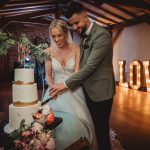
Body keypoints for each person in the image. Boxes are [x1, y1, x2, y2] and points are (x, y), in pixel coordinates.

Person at [50, 2, 116, 150]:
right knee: (93, 128)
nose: (74, 28)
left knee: (101, 130)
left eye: (76, 23)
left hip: (101, 92)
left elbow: (90, 67)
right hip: (87, 90)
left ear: (86, 15)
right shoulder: (84, 35)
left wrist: (65, 84)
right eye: (71, 25)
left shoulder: (102, 35)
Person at [43, 19, 96, 150]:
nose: (56, 39)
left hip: (73, 89)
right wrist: (53, 87)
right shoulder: (47, 52)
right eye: (53, 36)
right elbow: (48, 75)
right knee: (49, 123)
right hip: (54, 91)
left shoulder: (76, 49)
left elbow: (77, 74)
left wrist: (63, 89)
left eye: (59, 35)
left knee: (76, 124)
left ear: (66, 33)